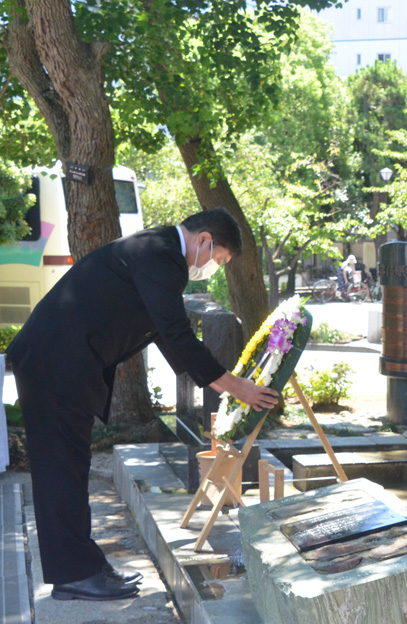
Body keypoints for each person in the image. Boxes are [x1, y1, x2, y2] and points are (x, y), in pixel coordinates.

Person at [7, 208, 279, 601]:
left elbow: (165, 335)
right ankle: (73, 575)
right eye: (217, 260)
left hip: (60, 363)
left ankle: (84, 565)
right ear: (204, 240)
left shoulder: (158, 249)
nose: (212, 269)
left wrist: (216, 386)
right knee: (60, 471)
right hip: (54, 363)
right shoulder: (161, 255)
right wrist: (238, 388)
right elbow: (177, 334)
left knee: (71, 466)